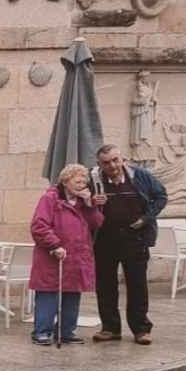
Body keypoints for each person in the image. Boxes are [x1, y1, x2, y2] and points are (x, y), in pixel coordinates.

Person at [89, 144, 167, 345]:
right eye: (106, 162)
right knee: (105, 285)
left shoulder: (140, 176)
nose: (112, 166)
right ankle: (110, 328)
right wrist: (90, 201)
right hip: (104, 240)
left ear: (122, 159)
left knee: (137, 285)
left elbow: (161, 196)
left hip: (135, 238)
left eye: (115, 160)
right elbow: (74, 197)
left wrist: (146, 219)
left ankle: (141, 329)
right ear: (99, 164)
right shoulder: (93, 179)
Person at [29, 164, 104, 346]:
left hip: (77, 258)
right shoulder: (50, 199)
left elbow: (97, 224)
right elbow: (39, 226)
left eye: (84, 181)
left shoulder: (83, 203)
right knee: (48, 294)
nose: (82, 184)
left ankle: (66, 331)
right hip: (53, 257)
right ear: (65, 181)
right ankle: (42, 331)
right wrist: (54, 244)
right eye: (77, 181)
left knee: (72, 295)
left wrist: (90, 206)